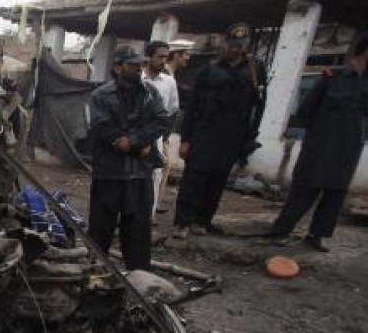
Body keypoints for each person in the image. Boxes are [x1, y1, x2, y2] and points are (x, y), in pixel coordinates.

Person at [269, 32, 368, 252]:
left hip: (348, 149)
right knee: (304, 189)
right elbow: (305, 111)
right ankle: (281, 231)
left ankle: (318, 235)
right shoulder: (332, 77)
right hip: (320, 145)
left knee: (335, 192)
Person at [173, 23, 267, 237]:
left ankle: (202, 220)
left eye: (240, 45)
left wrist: (250, 137)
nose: (235, 49)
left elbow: (259, 106)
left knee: (217, 181)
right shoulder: (209, 69)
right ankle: (183, 222)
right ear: (225, 43)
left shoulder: (255, 69)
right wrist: (186, 139)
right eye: (232, 44)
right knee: (194, 179)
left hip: (233, 136)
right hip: (204, 134)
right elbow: (193, 106)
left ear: (246, 45)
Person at [87, 46, 171, 270]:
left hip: (139, 172)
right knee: (100, 228)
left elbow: (162, 121)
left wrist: (135, 141)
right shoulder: (100, 95)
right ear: (118, 67)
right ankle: (94, 271)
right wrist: (128, 143)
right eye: (133, 65)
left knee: (137, 230)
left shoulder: (150, 92)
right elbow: (101, 127)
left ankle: (139, 276)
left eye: (140, 65)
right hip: (109, 172)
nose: (138, 69)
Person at [141, 40, 179, 214]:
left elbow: (171, 108)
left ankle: (149, 216)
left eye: (166, 57)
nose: (163, 60)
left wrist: (162, 135)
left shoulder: (169, 82)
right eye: (160, 56)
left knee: (155, 174)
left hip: (155, 134)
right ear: (149, 57)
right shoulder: (138, 79)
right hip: (135, 132)